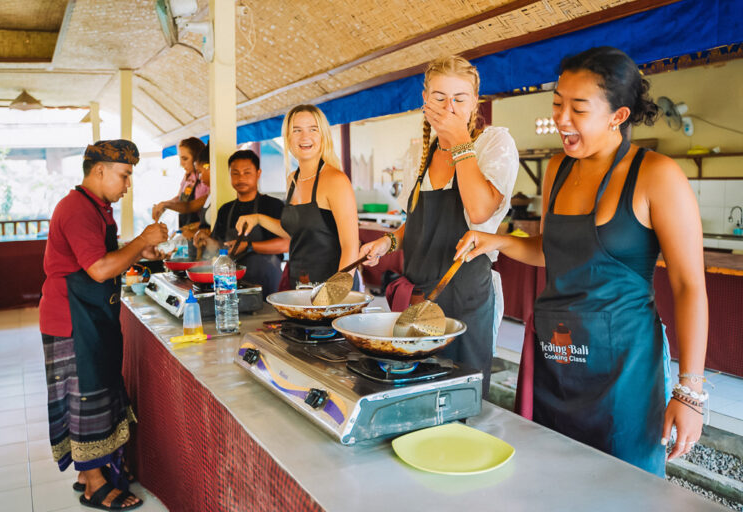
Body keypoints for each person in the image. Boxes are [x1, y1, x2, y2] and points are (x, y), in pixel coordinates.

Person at [455, 47, 708, 476]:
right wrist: (495, 240)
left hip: (624, 368)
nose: (561, 118)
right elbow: (552, 249)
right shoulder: (559, 169)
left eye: (578, 108)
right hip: (557, 357)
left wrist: (689, 392)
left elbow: (688, 286)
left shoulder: (657, 175)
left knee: (623, 484)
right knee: (551, 475)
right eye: (557, 103)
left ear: (617, 116)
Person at [359, 55, 519, 397]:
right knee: (414, 391)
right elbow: (412, 223)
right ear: (424, 100)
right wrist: (387, 242)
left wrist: (460, 139)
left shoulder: (494, 144)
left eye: (460, 99)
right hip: (419, 298)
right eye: (439, 98)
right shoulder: (417, 152)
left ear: (476, 101)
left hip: (465, 300)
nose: (449, 108)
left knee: (459, 397)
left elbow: (478, 213)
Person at [39, 140, 168, 510]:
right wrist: (142, 239)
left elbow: (99, 255)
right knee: (85, 396)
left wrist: (135, 249)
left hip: (87, 316)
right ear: (99, 170)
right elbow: (98, 269)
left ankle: (88, 473)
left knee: (95, 389)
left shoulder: (96, 208)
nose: (128, 185)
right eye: (124, 175)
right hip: (72, 320)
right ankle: (96, 483)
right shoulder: (77, 209)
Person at [236, 105, 360, 289]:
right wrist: (258, 218)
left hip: (332, 286)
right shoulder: (292, 179)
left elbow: (350, 246)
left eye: (313, 129)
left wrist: (336, 293)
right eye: (297, 130)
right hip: (299, 284)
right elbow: (297, 230)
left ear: (323, 135)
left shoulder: (336, 180)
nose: (305, 137)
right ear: (287, 137)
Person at [194, 149, 288, 296]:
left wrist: (249, 246)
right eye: (235, 173)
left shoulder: (273, 205)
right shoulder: (226, 209)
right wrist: (205, 240)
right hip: (232, 282)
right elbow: (219, 246)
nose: (241, 178)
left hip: (266, 279)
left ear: (258, 173)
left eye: (247, 172)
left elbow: (285, 244)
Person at [151, 136, 208, 227]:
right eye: (180, 158)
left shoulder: (206, 179)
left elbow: (190, 206)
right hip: (187, 228)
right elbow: (180, 198)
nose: (181, 163)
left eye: (185, 159)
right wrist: (163, 206)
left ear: (197, 158)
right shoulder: (187, 176)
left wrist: (166, 204)